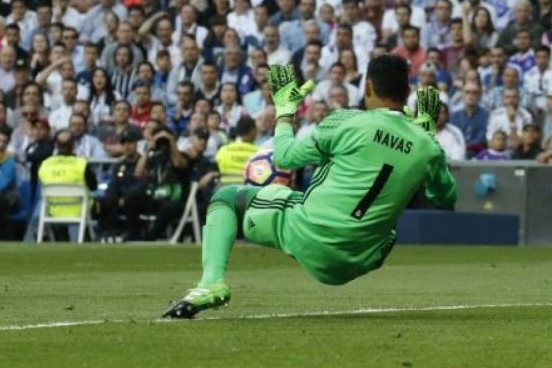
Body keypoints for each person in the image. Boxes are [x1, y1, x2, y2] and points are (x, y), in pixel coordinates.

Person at [163, 55, 457, 319]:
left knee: (226, 198)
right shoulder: (427, 148)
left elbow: (285, 156)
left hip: (311, 236)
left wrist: (285, 112)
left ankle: (210, 283)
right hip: (361, 258)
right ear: (407, 93)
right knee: (383, 224)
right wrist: (426, 134)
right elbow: (445, 198)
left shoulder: (346, 121)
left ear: (367, 87)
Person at [37, 130, 98, 241]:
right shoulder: (81, 164)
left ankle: (60, 239)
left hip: (53, 210)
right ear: (74, 145)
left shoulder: (45, 164)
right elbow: (94, 186)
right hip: (80, 209)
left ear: (56, 145)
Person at [213, 116, 259, 185]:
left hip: (226, 189)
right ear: (253, 131)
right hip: (249, 191)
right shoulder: (260, 152)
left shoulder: (223, 149)